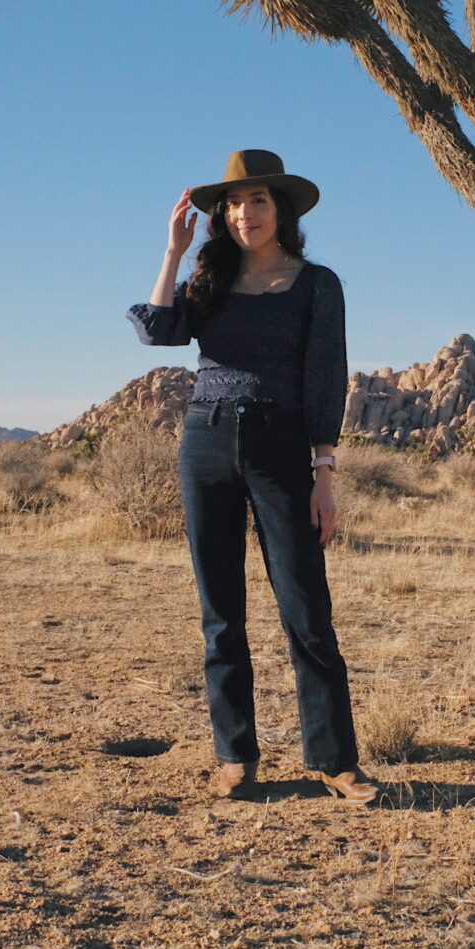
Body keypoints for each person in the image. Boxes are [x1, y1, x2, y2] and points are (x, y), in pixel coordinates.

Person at [126, 149, 378, 805]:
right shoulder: (210, 281)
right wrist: (174, 253)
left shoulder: (316, 284)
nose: (244, 213)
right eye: (232, 203)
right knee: (220, 611)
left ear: (281, 209)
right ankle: (234, 755)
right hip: (204, 439)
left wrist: (324, 472)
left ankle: (335, 760)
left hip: (279, 444)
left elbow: (325, 378)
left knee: (305, 608)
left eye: (258, 200)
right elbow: (157, 333)